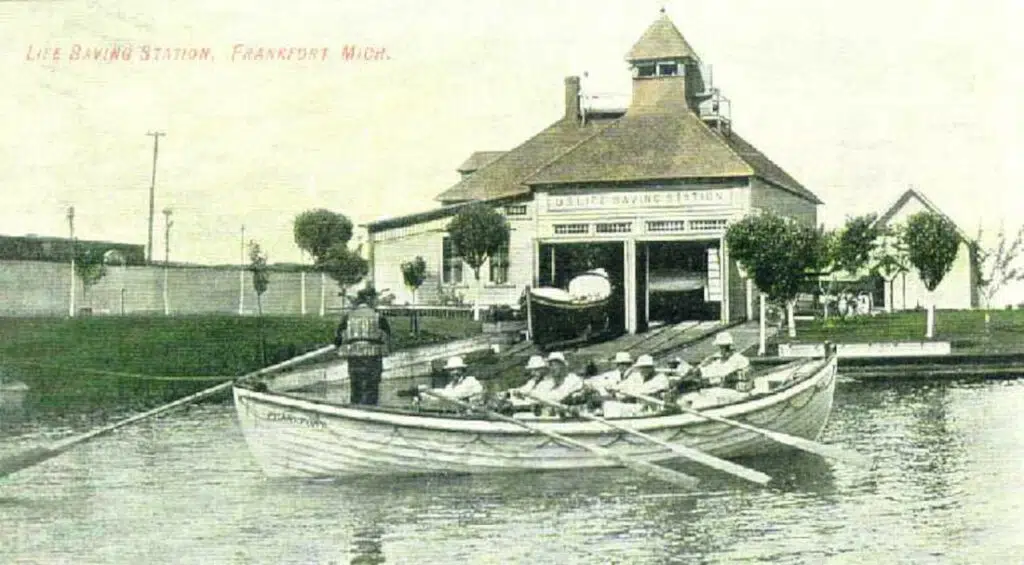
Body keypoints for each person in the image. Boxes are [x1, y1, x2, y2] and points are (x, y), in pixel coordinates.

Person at [334, 296, 391, 406]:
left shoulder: (348, 316)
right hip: (373, 355)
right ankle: (371, 409)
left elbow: (338, 336)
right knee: (372, 386)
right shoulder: (378, 316)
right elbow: (387, 334)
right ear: (369, 302)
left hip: (354, 355)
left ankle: (355, 407)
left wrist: (339, 346)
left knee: (356, 385)